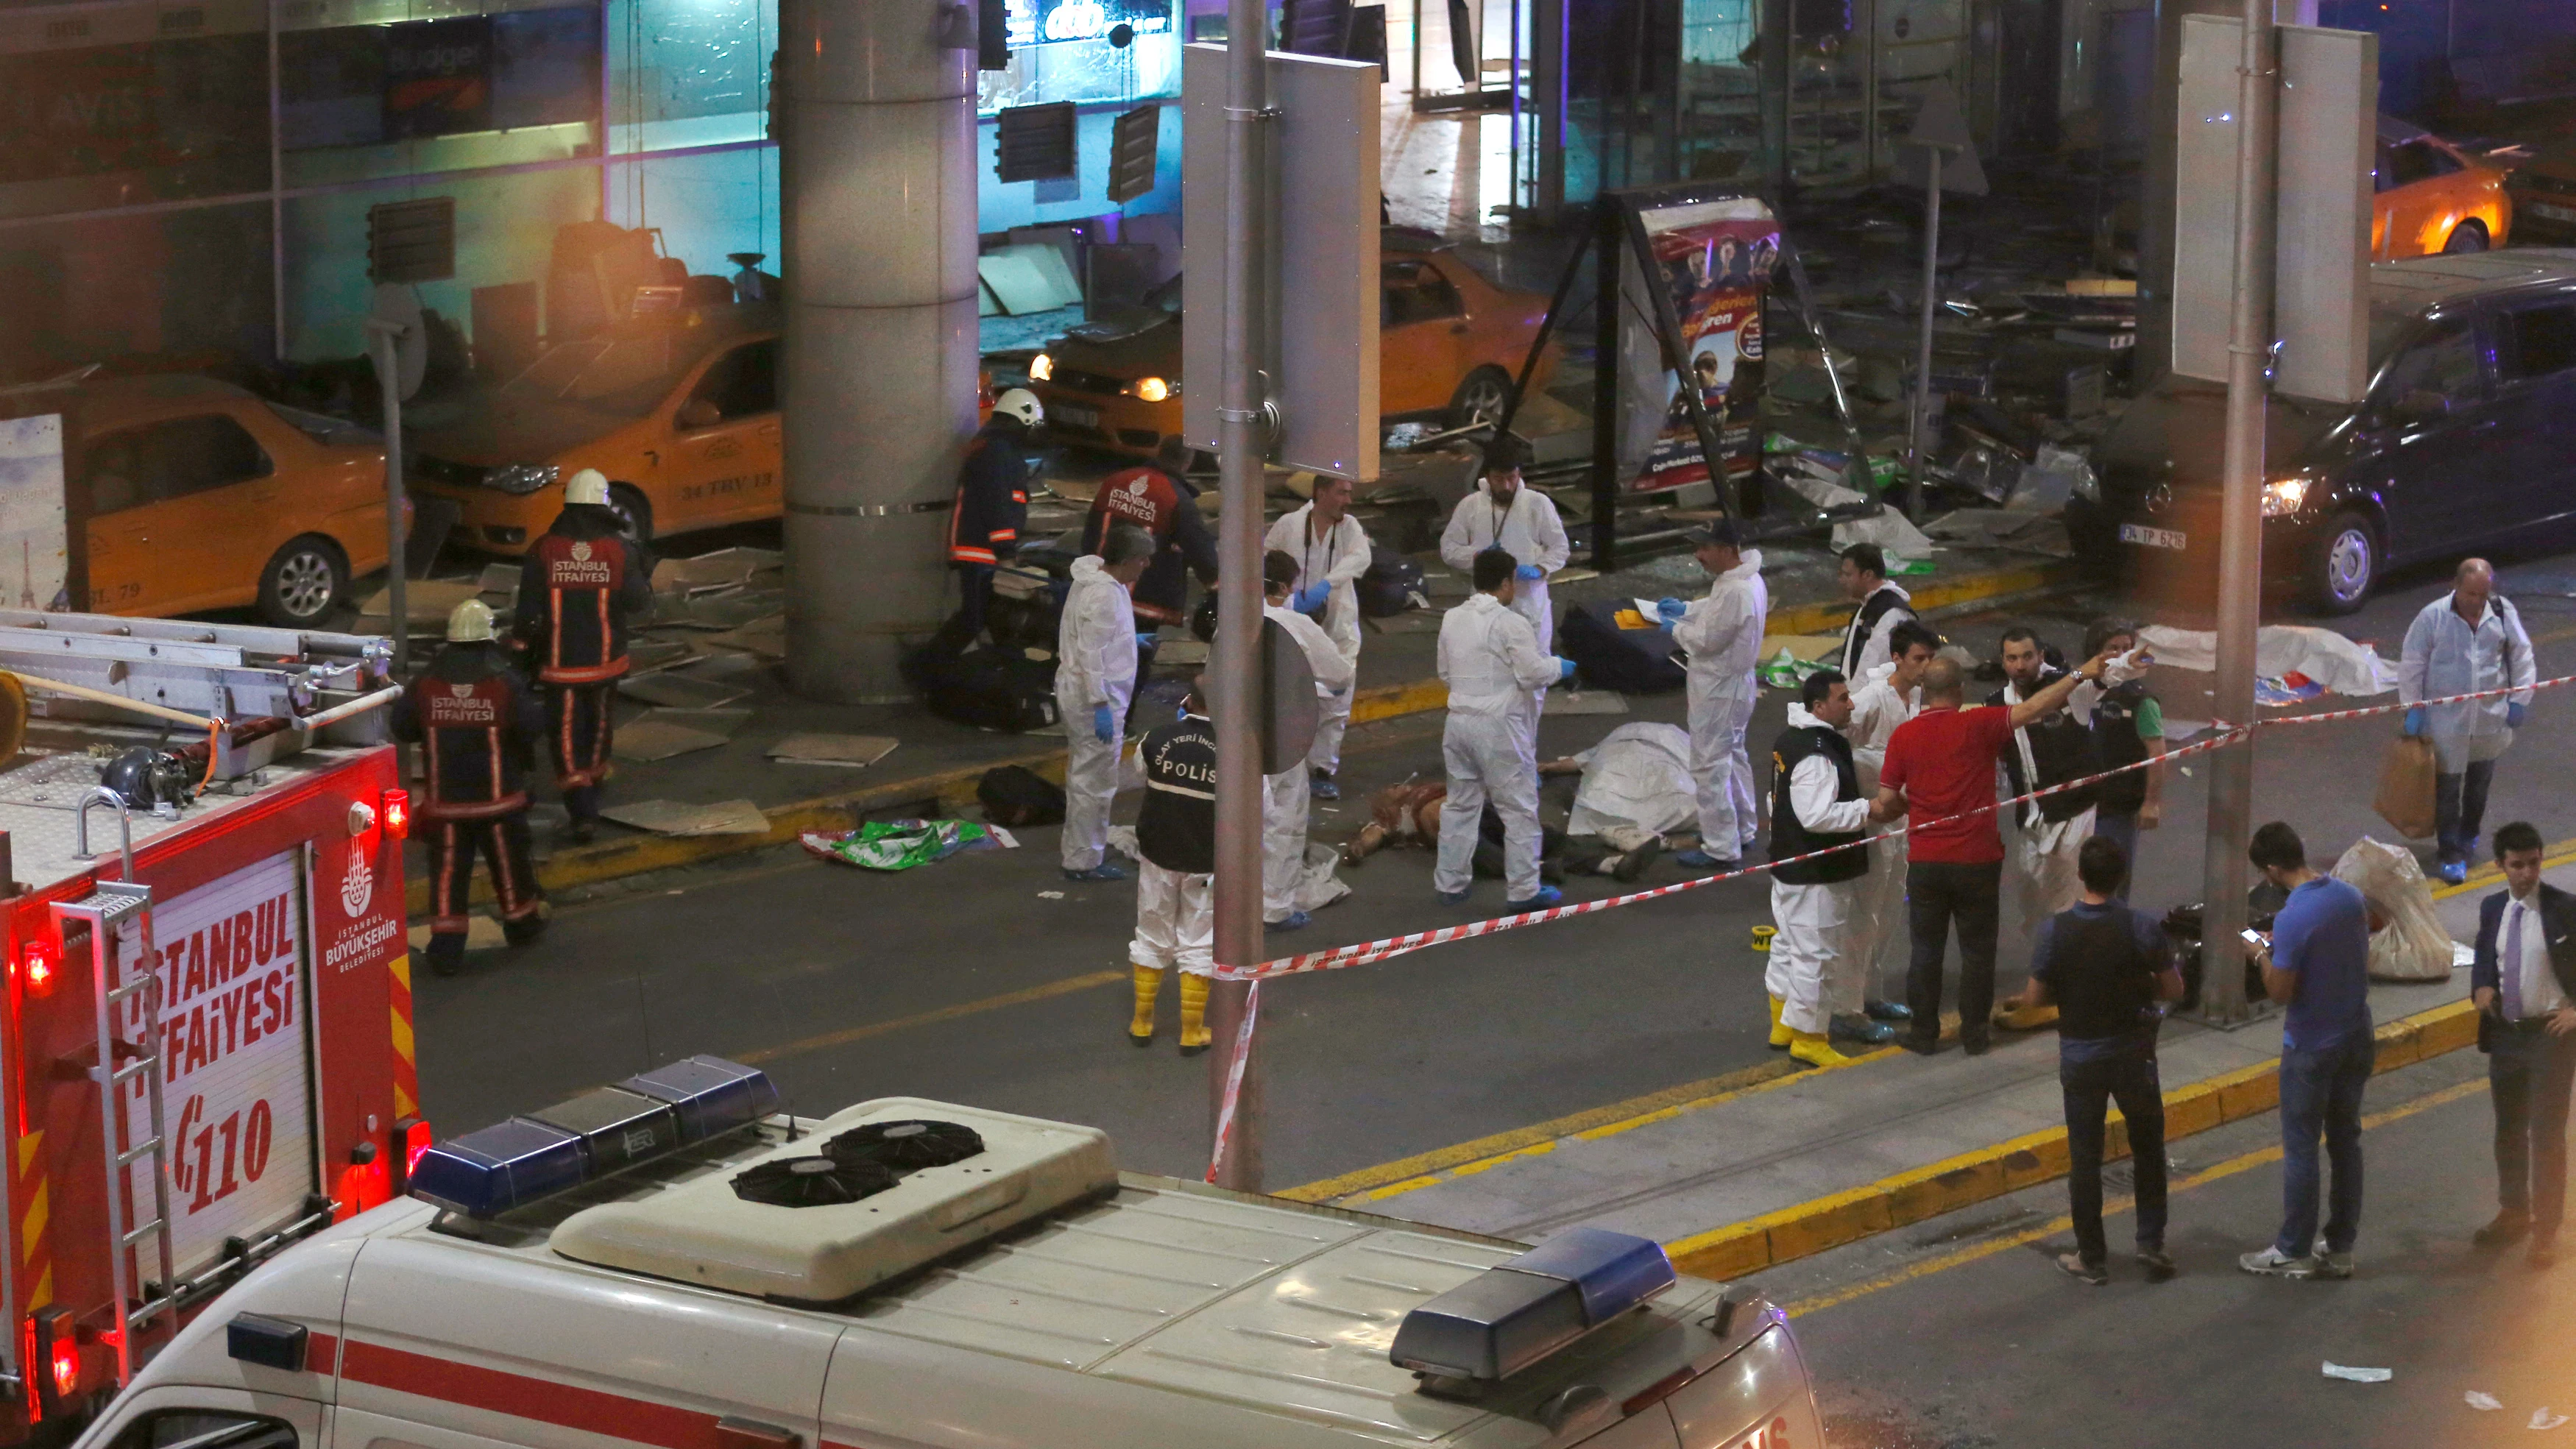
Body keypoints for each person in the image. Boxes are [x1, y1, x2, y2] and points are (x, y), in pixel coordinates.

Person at [1872, 649, 2110, 1056]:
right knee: (1978, 952)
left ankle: (1924, 1034)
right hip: (1977, 860)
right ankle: (1975, 1035)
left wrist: (1910, 806)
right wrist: (2078, 675)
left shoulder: (1904, 736)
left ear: (1924, 693)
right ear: (1960, 690)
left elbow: (1885, 802)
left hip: (1927, 861)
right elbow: (2035, 706)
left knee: (1925, 951)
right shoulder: (1978, 724)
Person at [2002, 835, 2184, 1285]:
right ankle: (2151, 1243)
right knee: (2147, 1148)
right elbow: (2174, 988)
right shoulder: (2140, 927)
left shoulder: (2055, 931)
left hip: (2082, 1055)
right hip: (2133, 1054)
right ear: (2121, 876)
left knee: (2085, 1159)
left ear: (2080, 875)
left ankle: (2092, 1257)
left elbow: (2035, 998)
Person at [2240, 820, 2374, 1279]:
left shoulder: (2291, 916)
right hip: (2356, 1034)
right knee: (2345, 1141)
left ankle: (2293, 1248)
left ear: (2274, 870)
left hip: (2312, 1046)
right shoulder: (2348, 897)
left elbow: (2279, 990)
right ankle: (2340, 1248)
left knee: (2301, 1148)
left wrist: (2259, 951)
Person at [395, 601, 548, 977]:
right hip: (498, 803)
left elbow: (402, 727)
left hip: (446, 805)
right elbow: (531, 728)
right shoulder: (504, 682)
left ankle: (446, 949)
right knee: (510, 866)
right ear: (488, 638)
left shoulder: (425, 684)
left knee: (447, 874)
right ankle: (521, 923)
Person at [512, 467, 651, 843]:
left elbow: (527, 615)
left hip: (561, 669)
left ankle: (581, 807)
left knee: (565, 735)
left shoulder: (544, 549)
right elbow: (639, 603)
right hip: (606, 665)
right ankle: (594, 783)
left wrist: (521, 657)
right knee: (600, 727)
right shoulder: (620, 549)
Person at [1434, 547, 1575, 909]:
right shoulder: (1511, 622)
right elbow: (1532, 674)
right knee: (1519, 809)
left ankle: (1450, 884)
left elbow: (1445, 673)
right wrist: (1561, 667)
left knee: (1460, 806)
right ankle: (1524, 890)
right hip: (1498, 729)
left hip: (1458, 723)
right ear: (1506, 582)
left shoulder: (1452, 618)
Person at [2470, 821, 2576, 1268]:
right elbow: (2483, 958)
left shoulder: (2565, 909)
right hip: (2507, 1036)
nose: (2527, 872)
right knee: (2508, 1131)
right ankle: (2514, 1211)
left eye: (2534, 863)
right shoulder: (2493, 907)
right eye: (2517, 865)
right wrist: (2481, 988)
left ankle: (2546, 1232)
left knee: (2547, 1137)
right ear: (2500, 865)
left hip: (2550, 1039)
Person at [2400, 558, 2535, 885]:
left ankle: (2469, 834)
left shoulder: (2502, 612)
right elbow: (2413, 662)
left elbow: (2521, 655)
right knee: (2447, 791)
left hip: (2489, 718)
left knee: (2478, 787)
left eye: (2483, 594)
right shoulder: (2433, 617)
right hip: (2447, 722)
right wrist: (2413, 707)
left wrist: (2519, 700)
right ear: (2456, 587)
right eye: (2471, 594)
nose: (2477, 602)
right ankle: (2451, 853)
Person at [1839, 619, 1942, 1043]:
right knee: (1863, 913)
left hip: (1905, 822)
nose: (1927, 666)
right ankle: (1846, 1008)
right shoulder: (1870, 700)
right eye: (1920, 659)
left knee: (1888, 912)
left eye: (1932, 658)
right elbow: (1839, 745)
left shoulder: (1920, 697)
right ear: (1897, 658)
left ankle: (1868, 994)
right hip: (1874, 821)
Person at [1765, 670, 1872, 1069]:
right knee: (1818, 956)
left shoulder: (1790, 740)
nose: (1851, 704)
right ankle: (1810, 1038)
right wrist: (1868, 809)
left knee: (1788, 946)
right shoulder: (1816, 752)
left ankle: (1783, 1025)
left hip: (1789, 866)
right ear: (1818, 707)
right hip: (1818, 872)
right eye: (1843, 698)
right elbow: (1816, 815)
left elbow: (1776, 803)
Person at [1657, 522, 1767, 870]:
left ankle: (1721, 846)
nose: (1698, 555)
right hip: (1734, 685)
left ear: (1727, 550)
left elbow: (1707, 641)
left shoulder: (1737, 590)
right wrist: (1688, 610)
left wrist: (1674, 629)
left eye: (1704, 548)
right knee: (1733, 755)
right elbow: (1717, 610)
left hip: (1719, 688)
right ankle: (1743, 828)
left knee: (1708, 765)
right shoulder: (1743, 579)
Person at [1260, 549, 1355, 932]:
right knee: (1284, 820)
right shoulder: (1296, 623)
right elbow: (1339, 674)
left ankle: (1235, 894)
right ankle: (1274, 908)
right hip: (1282, 734)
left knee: (1243, 818)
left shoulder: (1231, 621)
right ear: (1286, 586)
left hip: (1238, 733)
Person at [1058, 524, 1156, 881]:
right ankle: (1083, 861)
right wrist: (1099, 704)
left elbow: (1091, 637)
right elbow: (1090, 653)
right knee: (1094, 782)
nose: (1146, 565)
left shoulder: (1091, 579)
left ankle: (1084, 849)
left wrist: (1128, 639)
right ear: (1127, 559)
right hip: (1095, 699)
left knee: (1085, 775)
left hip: (1081, 690)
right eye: (1143, 559)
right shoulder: (1103, 595)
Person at [1990, 626, 2101, 936]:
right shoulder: (1995, 704)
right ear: (2003, 661)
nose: (2020, 665)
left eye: (2027, 656)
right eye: (2012, 658)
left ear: (2041, 656)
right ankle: (2048, 955)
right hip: (2030, 819)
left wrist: (2124, 662)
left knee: (2067, 904)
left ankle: (2065, 968)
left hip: (2074, 814)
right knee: (2033, 899)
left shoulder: (2071, 689)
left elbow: (2109, 677)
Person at [1127, 680, 1218, 1055]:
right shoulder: (1238, 753)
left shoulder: (1154, 738)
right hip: (1205, 862)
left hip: (1156, 853)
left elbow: (1140, 774)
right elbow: (1257, 807)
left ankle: (1142, 1022)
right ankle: (1191, 1032)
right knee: (1199, 942)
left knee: (1151, 933)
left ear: (1186, 703)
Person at [1265, 475, 1370, 800]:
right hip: (1297, 621)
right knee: (1292, 693)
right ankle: (1287, 759)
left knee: (1338, 698)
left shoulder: (1350, 527)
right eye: (1342, 493)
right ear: (1321, 493)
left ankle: (1324, 767)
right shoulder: (1289, 524)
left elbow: (1360, 558)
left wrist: (1326, 584)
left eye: (1349, 493)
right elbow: (1266, 557)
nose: (1347, 500)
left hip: (1337, 625)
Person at [1083, 437, 1220, 659]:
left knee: (1093, 652)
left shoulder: (1115, 481)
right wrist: (1217, 587)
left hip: (1096, 589)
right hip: (1142, 602)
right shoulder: (1177, 499)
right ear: (1188, 462)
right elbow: (1200, 549)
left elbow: (1091, 531)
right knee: (1131, 664)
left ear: (1159, 453)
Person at [1439, 433, 1571, 651]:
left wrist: (1539, 569)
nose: (1507, 486)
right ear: (1488, 477)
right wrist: (1477, 557)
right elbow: (1449, 549)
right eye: (1499, 479)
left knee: (1532, 670)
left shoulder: (1538, 504)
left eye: (1512, 477)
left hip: (1528, 604)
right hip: (1485, 607)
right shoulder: (1470, 506)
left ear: (1519, 474)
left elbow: (1560, 547)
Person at [938, 388, 1042, 651]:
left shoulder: (992, 446)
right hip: (981, 548)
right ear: (1022, 420)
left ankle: (998, 665)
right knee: (974, 618)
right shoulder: (1000, 452)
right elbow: (997, 503)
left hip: (978, 545)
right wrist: (1006, 551)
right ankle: (925, 667)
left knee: (988, 615)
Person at [2074, 617, 2165, 889]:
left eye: (2127, 647)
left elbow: (2157, 752)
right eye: (2113, 648)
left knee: (2110, 884)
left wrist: (2151, 803)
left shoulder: (2141, 701)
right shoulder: (2077, 690)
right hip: (2077, 807)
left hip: (2117, 810)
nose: (2122, 655)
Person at [1836, 542, 1916, 681]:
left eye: (1848, 575)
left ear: (1868, 574)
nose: (1842, 580)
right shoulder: (1866, 607)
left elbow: (1880, 668)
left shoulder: (1892, 614)